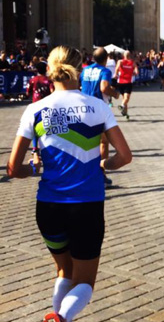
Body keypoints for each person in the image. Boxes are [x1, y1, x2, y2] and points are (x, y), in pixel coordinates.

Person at [7, 45, 132, 322]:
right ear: (80, 68)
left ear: (50, 69)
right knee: (85, 282)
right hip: (86, 206)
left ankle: (58, 314)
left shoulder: (35, 109)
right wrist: (104, 164)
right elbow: (124, 156)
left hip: (49, 207)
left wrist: (34, 168)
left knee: (65, 272)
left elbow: (13, 168)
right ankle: (60, 318)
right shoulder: (98, 106)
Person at [80, 48, 121, 186]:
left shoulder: (85, 70)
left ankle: (84, 172)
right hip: (98, 109)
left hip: (83, 108)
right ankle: (100, 174)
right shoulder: (105, 71)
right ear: (106, 59)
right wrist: (114, 93)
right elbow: (104, 87)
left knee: (86, 142)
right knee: (103, 142)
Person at [114, 51, 138, 119]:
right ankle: (122, 106)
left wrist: (116, 74)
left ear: (123, 55)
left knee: (125, 98)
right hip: (123, 82)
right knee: (126, 98)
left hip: (125, 82)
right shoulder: (123, 62)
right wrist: (133, 73)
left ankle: (125, 112)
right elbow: (117, 68)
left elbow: (117, 69)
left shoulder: (129, 62)